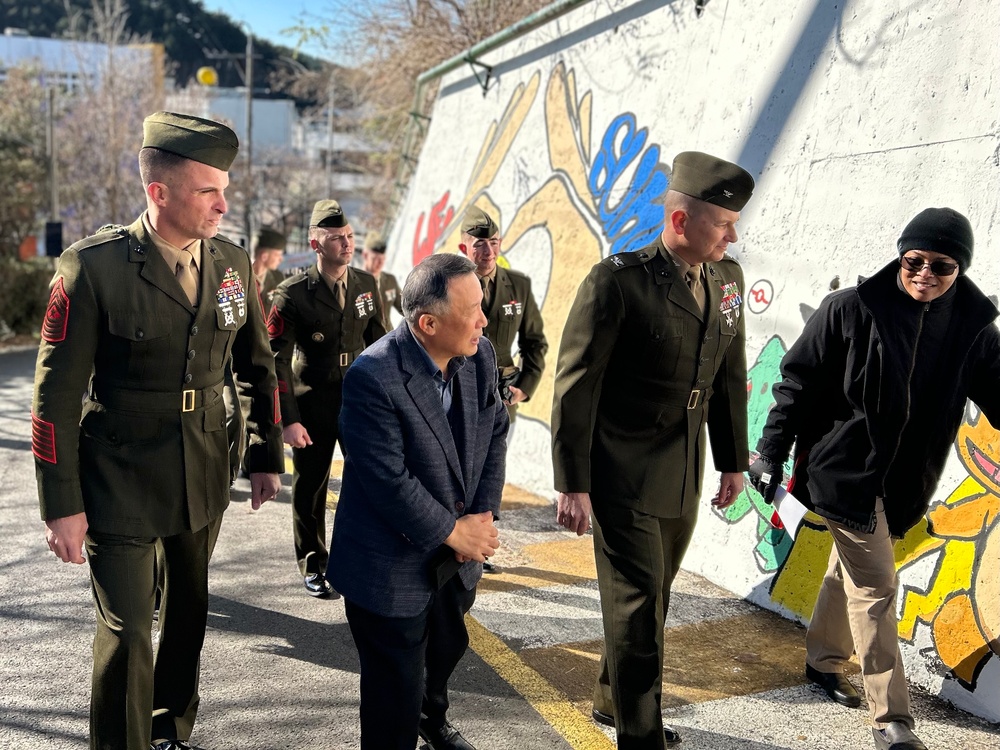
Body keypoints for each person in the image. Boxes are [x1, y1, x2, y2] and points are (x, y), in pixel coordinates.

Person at [32, 111, 284, 750]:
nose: (224, 204)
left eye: (225, 188)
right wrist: (61, 504)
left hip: (202, 468)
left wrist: (263, 452)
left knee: (189, 615)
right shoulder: (94, 268)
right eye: (208, 190)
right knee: (130, 630)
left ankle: (171, 728)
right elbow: (54, 397)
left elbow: (256, 363)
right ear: (159, 192)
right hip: (117, 474)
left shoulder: (230, 261)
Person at [748, 207, 1000, 750]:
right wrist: (770, 452)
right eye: (914, 261)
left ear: (961, 270)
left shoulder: (973, 330)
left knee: (851, 573)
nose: (924, 274)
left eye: (942, 266)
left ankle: (823, 661)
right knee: (877, 586)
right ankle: (892, 719)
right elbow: (797, 384)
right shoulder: (851, 309)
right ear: (900, 255)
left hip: (907, 481)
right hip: (845, 471)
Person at [552, 151, 755, 749]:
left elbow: (727, 371)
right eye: (723, 222)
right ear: (680, 222)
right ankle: (639, 737)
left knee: (654, 596)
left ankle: (612, 700)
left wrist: (733, 461)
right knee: (639, 607)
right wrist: (573, 482)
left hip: (682, 469)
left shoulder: (728, 281)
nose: (733, 234)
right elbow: (576, 384)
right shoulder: (618, 281)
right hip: (620, 472)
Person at [328, 253, 507, 750]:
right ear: (428, 323)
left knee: (445, 651)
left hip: (456, 557)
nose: (483, 320)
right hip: (390, 563)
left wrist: (481, 518)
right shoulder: (375, 375)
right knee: (393, 695)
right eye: (471, 310)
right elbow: (386, 478)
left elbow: (495, 431)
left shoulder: (480, 356)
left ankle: (433, 719)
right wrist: (453, 531)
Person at [268, 199, 386, 598]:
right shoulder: (292, 295)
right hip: (313, 401)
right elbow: (276, 362)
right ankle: (314, 562)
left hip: (358, 400)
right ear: (316, 245)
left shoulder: (367, 285)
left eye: (350, 236)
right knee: (312, 485)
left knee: (365, 481)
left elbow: (381, 344)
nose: (346, 244)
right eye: (336, 238)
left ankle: (357, 559)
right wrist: (288, 418)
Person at [458, 206, 547, 421]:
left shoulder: (519, 286)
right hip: (460, 399)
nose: (489, 252)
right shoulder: (450, 286)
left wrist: (524, 387)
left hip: (502, 402)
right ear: (464, 248)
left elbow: (535, 343)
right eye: (480, 244)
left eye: (494, 242)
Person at [361, 230, 403, 330]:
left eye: (383, 259)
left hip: (388, 337)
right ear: (365, 255)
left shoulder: (390, 281)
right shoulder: (353, 283)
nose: (380, 263)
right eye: (375, 258)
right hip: (368, 343)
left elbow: (405, 307)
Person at [251, 226, 287, 308]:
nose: (281, 259)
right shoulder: (242, 277)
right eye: (277, 255)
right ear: (264, 256)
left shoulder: (278, 277)